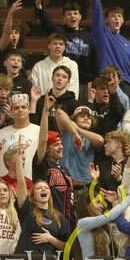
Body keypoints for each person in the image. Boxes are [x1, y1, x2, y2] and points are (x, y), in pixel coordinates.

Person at [90, 0, 130, 104]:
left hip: (129, 85)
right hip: (109, 82)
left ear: (123, 20)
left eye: (119, 16)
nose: (116, 18)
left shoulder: (127, 43)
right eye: (112, 16)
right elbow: (96, 11)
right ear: (106, 20)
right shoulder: (102, 34)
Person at [35, 0, 96, 96]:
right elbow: (47, 24)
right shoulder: (60, 33)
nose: (72, 16)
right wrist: (40, 8)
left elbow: (95, 60)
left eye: (75, 13)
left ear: (80, 17)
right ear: (63, 18)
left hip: (85, 84)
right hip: (65, 82)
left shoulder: (89, 37)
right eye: (68, 14)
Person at [33, 96, 74, 225]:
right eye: (56, 145)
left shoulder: (65, 170)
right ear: (47, 149)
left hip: (67, 220)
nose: (61, 147)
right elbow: (43, 140)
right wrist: (45, 112)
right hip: (48, 219)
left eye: (61, 144)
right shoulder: (42, 164)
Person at [0, 93, 40, 180]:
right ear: (11, 111)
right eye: (16, 108)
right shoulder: (0, 134)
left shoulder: (39, 131)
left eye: (23, 107)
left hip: (31, 183)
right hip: (5, 185)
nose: (20, 110)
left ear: (29, 109)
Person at [56, 105, 104, 190]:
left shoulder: (91, 138)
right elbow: (59, 113)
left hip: (85, 186)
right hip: (65, 184)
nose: (86, 118)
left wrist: (78, 129)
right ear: (74, 120)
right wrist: (74, 133)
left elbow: (100, 140)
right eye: (82, 116)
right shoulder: (67, 132)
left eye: (89, 117)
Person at [30, 33, 80, 99]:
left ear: (64, 47)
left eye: (61, 44)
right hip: (43, 103)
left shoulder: (72, 65)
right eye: (55, 43)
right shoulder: (38, 66)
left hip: (65, 103)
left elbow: (73, 89)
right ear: (49, 46)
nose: (58, 46)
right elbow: (35, 90)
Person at [31, 65, 79, 132]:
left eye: (64, 77)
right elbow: (34, 125)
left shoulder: (74, 103)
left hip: (63, 137)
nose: (60, 79)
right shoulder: (42, 100)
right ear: (52, 78)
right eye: (57, 75)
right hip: (42, 135)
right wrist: (33, 101)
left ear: (68, 82)